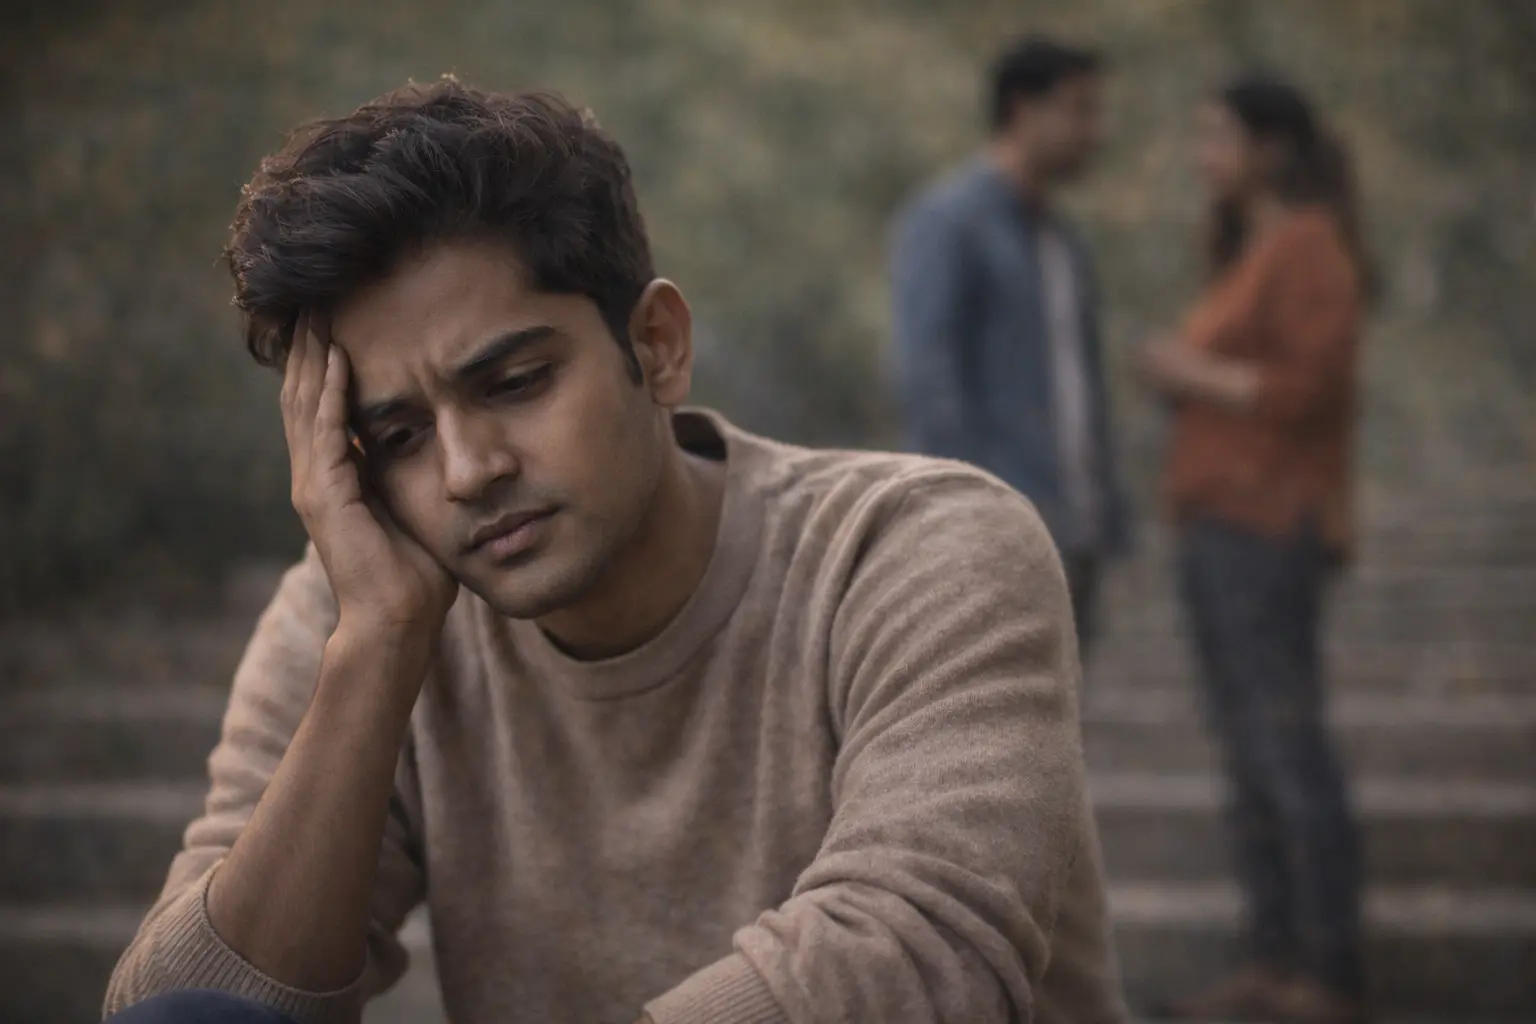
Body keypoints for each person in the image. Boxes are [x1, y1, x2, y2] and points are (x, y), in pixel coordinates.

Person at [101, 79, 1129, 1024]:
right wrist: (376, 649)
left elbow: (914, 953)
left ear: (657, 345)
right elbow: (185, 1002)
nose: (467, 470)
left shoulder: (915, 548)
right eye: (400, 437)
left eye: (513, 382)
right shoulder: (365, 612)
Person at [1138, 76, 1370, 1023]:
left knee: (1285, 741)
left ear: (1272, 146)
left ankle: (1327, 969)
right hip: (1214, 524)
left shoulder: (1309, 246)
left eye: (1219, 137)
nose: (1205, 157)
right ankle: (1272, 959)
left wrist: (1189, 371)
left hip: (1271, 523)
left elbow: (1310, 388)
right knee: (1243, 748)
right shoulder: (1243, 252)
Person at [890, 36, 1130, 651]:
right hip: (994, 528)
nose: (1095, 131)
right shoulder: (950, 223)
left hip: (1074, 527)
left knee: (1060, 725)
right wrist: (966, 511)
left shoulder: (1062, 243)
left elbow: (1081, 384)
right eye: (1081, 110)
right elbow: (928, 375)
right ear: (1025, 108)